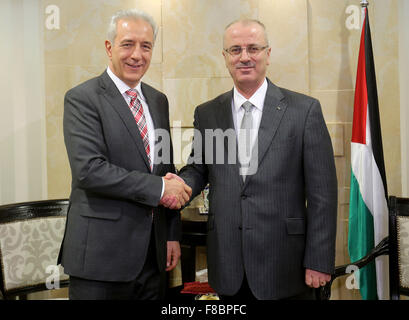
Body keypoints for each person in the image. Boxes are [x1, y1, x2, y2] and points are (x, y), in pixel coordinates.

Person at [163, 19, 338, 300]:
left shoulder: (304, 111)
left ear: (268, 54)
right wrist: (177, 184)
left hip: (286, 265)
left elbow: (323, 195)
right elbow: (198, 167)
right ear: (225, 57)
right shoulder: (208, 113)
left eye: (253, 48)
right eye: (235, 50)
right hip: (228, 266)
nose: (244, 57)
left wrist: (318, 260)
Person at [58, 9, 191, 300]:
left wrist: (171, 234)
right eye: (127, 44)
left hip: (152, 258)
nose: (137, 55)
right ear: (109, 47)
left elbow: (164, 169)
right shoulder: (82, 98)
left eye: (146, 46)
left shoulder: (158, 101)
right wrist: (160, 188)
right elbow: (89, 170)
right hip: (100, 260)